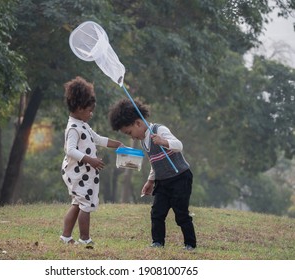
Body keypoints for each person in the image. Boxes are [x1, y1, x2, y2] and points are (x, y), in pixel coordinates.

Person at [108, 98, 196, 250]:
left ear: (138, 123)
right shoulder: (143, 141)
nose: (131, 137)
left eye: (129, 132)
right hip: (162, 181)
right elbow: (155, 164)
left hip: (180, 178)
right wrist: (150, 181)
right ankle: (157, 242)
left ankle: (190, 244)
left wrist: (164, 142)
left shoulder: (159, 130)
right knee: (157, 212)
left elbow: (179, 146)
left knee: (181, 214)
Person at [60, 76, 122, 248]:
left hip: (84, 172)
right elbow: (70, 150)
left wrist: (115, 144)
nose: (91, 113)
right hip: (77, 173)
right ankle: (85, 239)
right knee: (85, 204)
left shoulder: (82, 124)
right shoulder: (73, 128)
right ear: (79, 108)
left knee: (78, 204)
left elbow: (97, 139)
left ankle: (66, 237)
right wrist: (90, 160)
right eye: (89, 110)